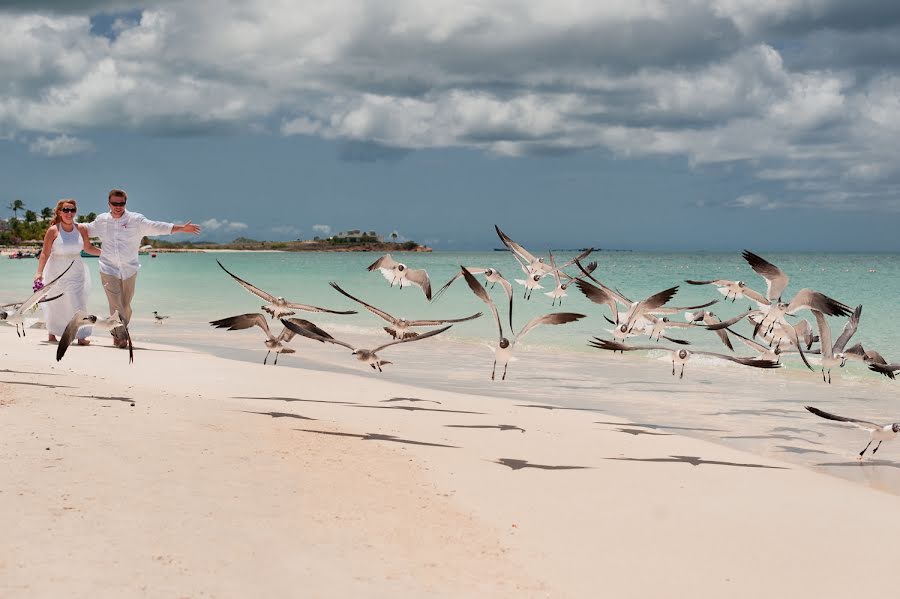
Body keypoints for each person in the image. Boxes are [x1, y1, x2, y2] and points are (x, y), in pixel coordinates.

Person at [84, 188, 201, 347]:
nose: (118, 206)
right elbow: (86, 228)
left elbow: (156, 227)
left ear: (125, 203)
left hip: (129, 269)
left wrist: (180, 228)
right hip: (108, 268)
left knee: (125, 306)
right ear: (108, 203)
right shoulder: (101, 220)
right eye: (114, 203)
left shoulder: (135, 220)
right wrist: (62, 223)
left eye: (122, 203)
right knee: (115, 303)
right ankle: (121, 336)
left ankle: (118, 331)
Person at [34, 199, 101, 344]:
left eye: (72, 210)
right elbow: (45, 253)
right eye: (66, 210)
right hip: (55, 270)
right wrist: (39, 273)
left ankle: (81, 336)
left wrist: (106, 253)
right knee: (56, 302)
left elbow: (88, 248)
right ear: (59, 212)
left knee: (78, 302)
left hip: (76, 269)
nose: (69, 213)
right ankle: (52, 333)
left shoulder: (81, 229)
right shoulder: (53, 230)